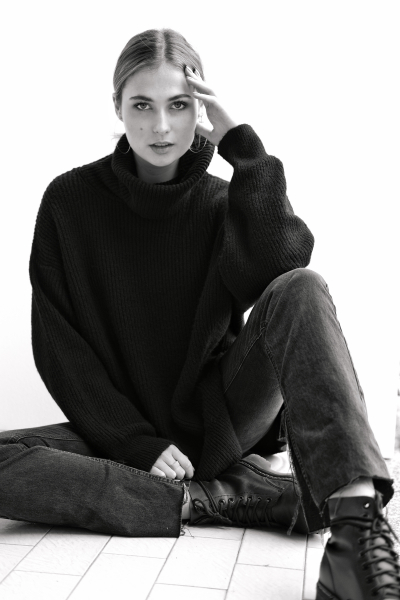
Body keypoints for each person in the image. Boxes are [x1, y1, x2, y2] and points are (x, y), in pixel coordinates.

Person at [0, 28, 399, 599]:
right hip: (121, 437)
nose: (161, 127)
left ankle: (356, 532)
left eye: (179, 105)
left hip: (220, 419)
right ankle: (216, 497)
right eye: (142, 105)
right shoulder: (69, 202)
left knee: (303, 286)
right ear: (117, 106)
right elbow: (60, 350)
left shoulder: (220, 201)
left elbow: (285, 270)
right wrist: (134, 443)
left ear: (201, 111)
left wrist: (244, 148)